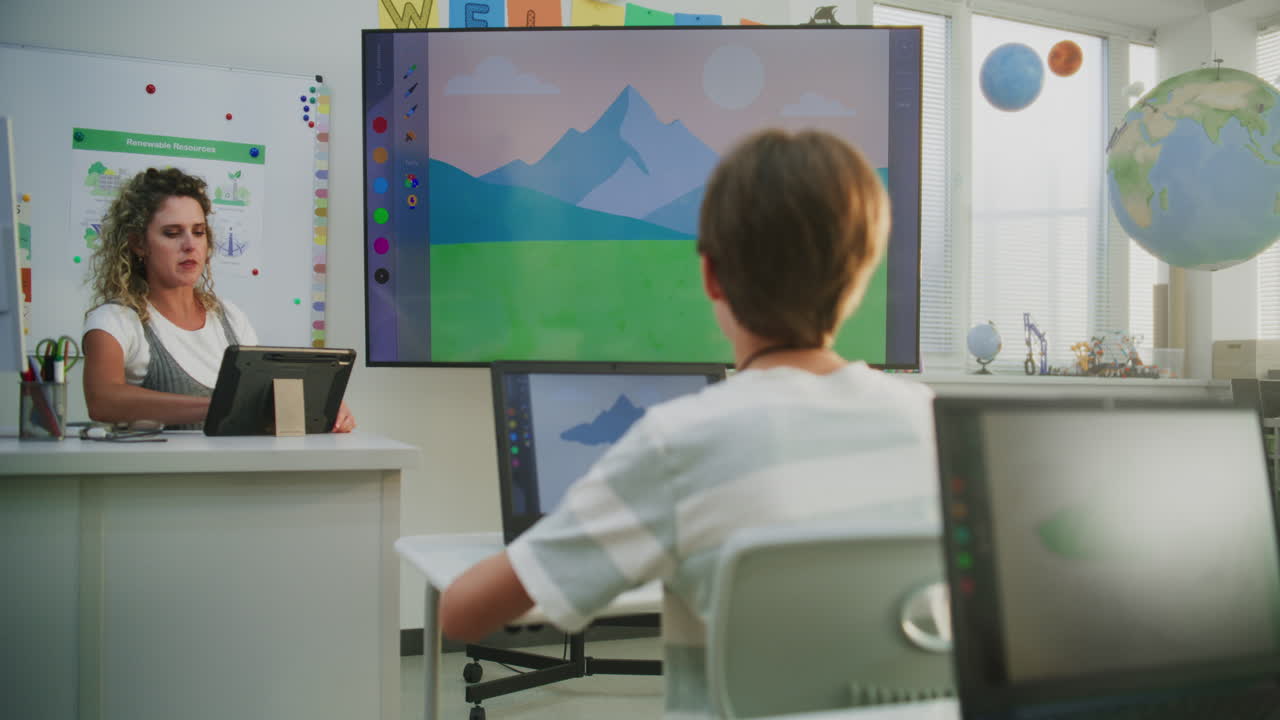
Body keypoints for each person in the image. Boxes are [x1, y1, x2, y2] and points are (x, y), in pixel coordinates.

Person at [438, 129, 939, 716]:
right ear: (861, 276)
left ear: (711, 277)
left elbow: (462, 614)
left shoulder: (679, 444)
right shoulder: (937, 425)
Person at [82, 167, 356, 432]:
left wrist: (322, 406)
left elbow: (264, 400)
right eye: (172, 233)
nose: (190, 245)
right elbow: (103, 401)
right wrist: (220, 406)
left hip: (238, 477)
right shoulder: (114, 320)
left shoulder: (230, 318)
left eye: (198, 231)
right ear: (139, 244)